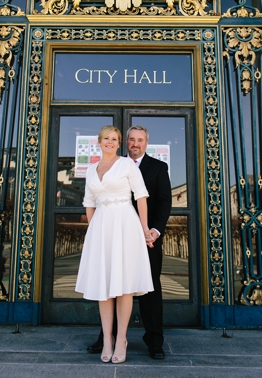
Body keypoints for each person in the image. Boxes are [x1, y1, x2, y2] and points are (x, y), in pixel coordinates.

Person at [86, 125, 172, 360]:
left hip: (146, 238)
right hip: (109, 234)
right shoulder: (110, 164)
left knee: (149, 288)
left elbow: (164, 203)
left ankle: (154, 341)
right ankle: (107, 338)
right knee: (110, 284)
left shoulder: (157, 167)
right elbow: (91, 200)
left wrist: (152, 230)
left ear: (146, 143)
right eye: (131, 139)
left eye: (140, 140)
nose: (135, 143)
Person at [75, 126, 154, 364]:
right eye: (106, 138)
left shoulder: (127, 165)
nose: (110, 142)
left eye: (115, 139)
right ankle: (107, 341)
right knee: (104, 286)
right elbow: (89, 202)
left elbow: (141, 197)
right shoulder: (90, 170)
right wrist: (93, 229)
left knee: (124, 286)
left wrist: (144, 230)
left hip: (125, 226)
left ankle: (121, 339)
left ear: (119, 143)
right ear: (98, 142)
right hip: (101, 229)